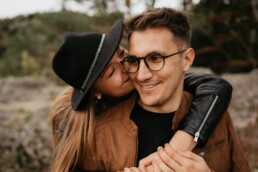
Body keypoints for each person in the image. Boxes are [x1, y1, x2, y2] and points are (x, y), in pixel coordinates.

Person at [50, 19, 233, 172]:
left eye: (123, 53)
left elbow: (216, 86)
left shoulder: (163, 83)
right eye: (111, 72)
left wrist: (181, 143)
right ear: (96, 91)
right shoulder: (89, 134)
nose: (128, 66)